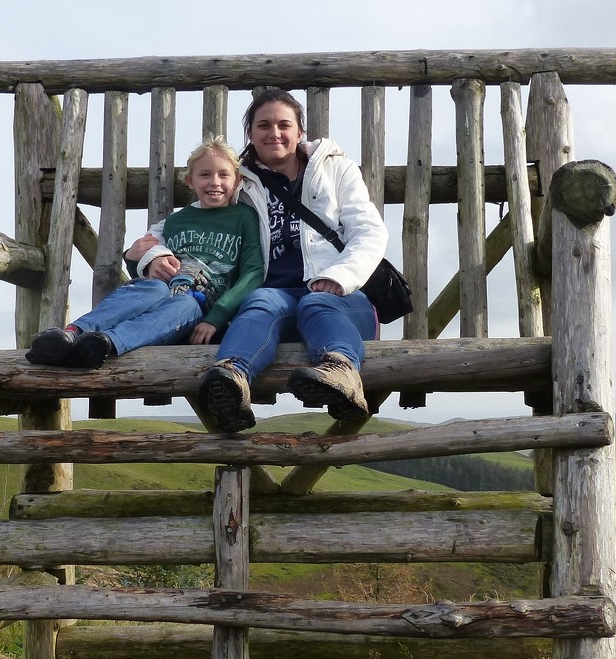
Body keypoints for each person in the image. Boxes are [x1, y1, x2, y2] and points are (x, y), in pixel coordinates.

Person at [132, 88, 388, 433]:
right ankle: (231, 380)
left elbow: (370, 231)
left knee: (317, 303)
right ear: (250, 134)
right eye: (263, 125)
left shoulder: (336, 170)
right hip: (278, 297)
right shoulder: (241, 181)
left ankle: (341, 372)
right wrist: (152, 255)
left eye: (285, 124)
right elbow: (169, 230)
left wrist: (341, 276)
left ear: (301, 132)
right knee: (260, 300)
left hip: (341, 298)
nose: (275, 133)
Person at [26, 137, 263, 368]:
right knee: (152, 288)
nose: (215, 182)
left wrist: (217, 317)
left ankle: (104, 343)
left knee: (185, 305)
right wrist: (138, 259)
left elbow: (253, 272)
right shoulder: (174, 222)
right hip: (162, 290)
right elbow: (143, 255)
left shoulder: (244, 217)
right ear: (190, 181)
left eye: (224, 174)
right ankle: (71, 334)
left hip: (197, 310)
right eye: (205, 174)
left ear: (237, 179)